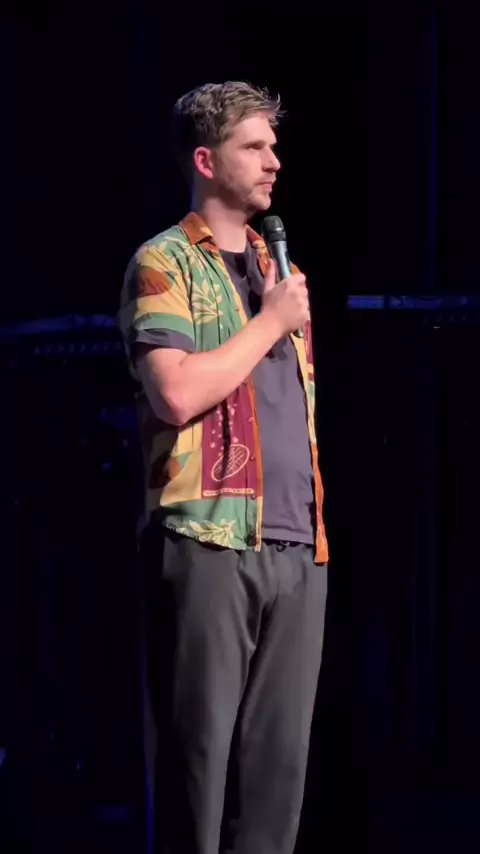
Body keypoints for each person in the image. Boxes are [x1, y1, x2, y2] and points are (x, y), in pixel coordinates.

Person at [119, 80, 329, 854]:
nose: (274, 161)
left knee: (275, 795)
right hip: (205, 539)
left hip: (296, 544)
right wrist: (270, 322)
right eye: (254, 146)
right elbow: (175, 394)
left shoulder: (281, 272)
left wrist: (279, 310)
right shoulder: (164, 262)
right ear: (206, 161)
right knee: (196, 784)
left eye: (274, 145)